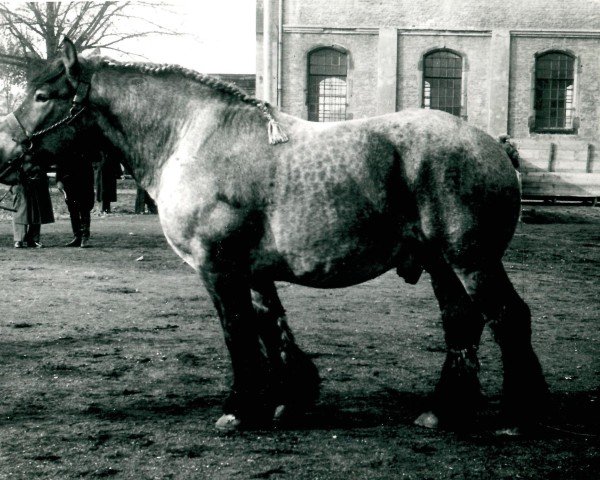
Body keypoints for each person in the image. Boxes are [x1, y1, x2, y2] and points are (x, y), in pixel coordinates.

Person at [56, 145, 96, 248]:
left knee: (84, 211)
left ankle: (84, 238)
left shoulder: (86, 149)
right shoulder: (65, 148)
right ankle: (77, 236)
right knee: (73, 212)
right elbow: (60, 164)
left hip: (84, 184)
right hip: (70, 184)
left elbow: (91, 165)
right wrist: (59, 180)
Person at [12, 171, 55, 248]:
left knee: (37, 211)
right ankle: (19, 239)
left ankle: (33, 239)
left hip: (38, 182)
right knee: (21, 211)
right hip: (20, 183)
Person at [95, 149, 123, 214]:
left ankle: (104, 208)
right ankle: (105, 208)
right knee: (106, 190)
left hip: (105, 170)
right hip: (108, 170)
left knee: (104, 190)